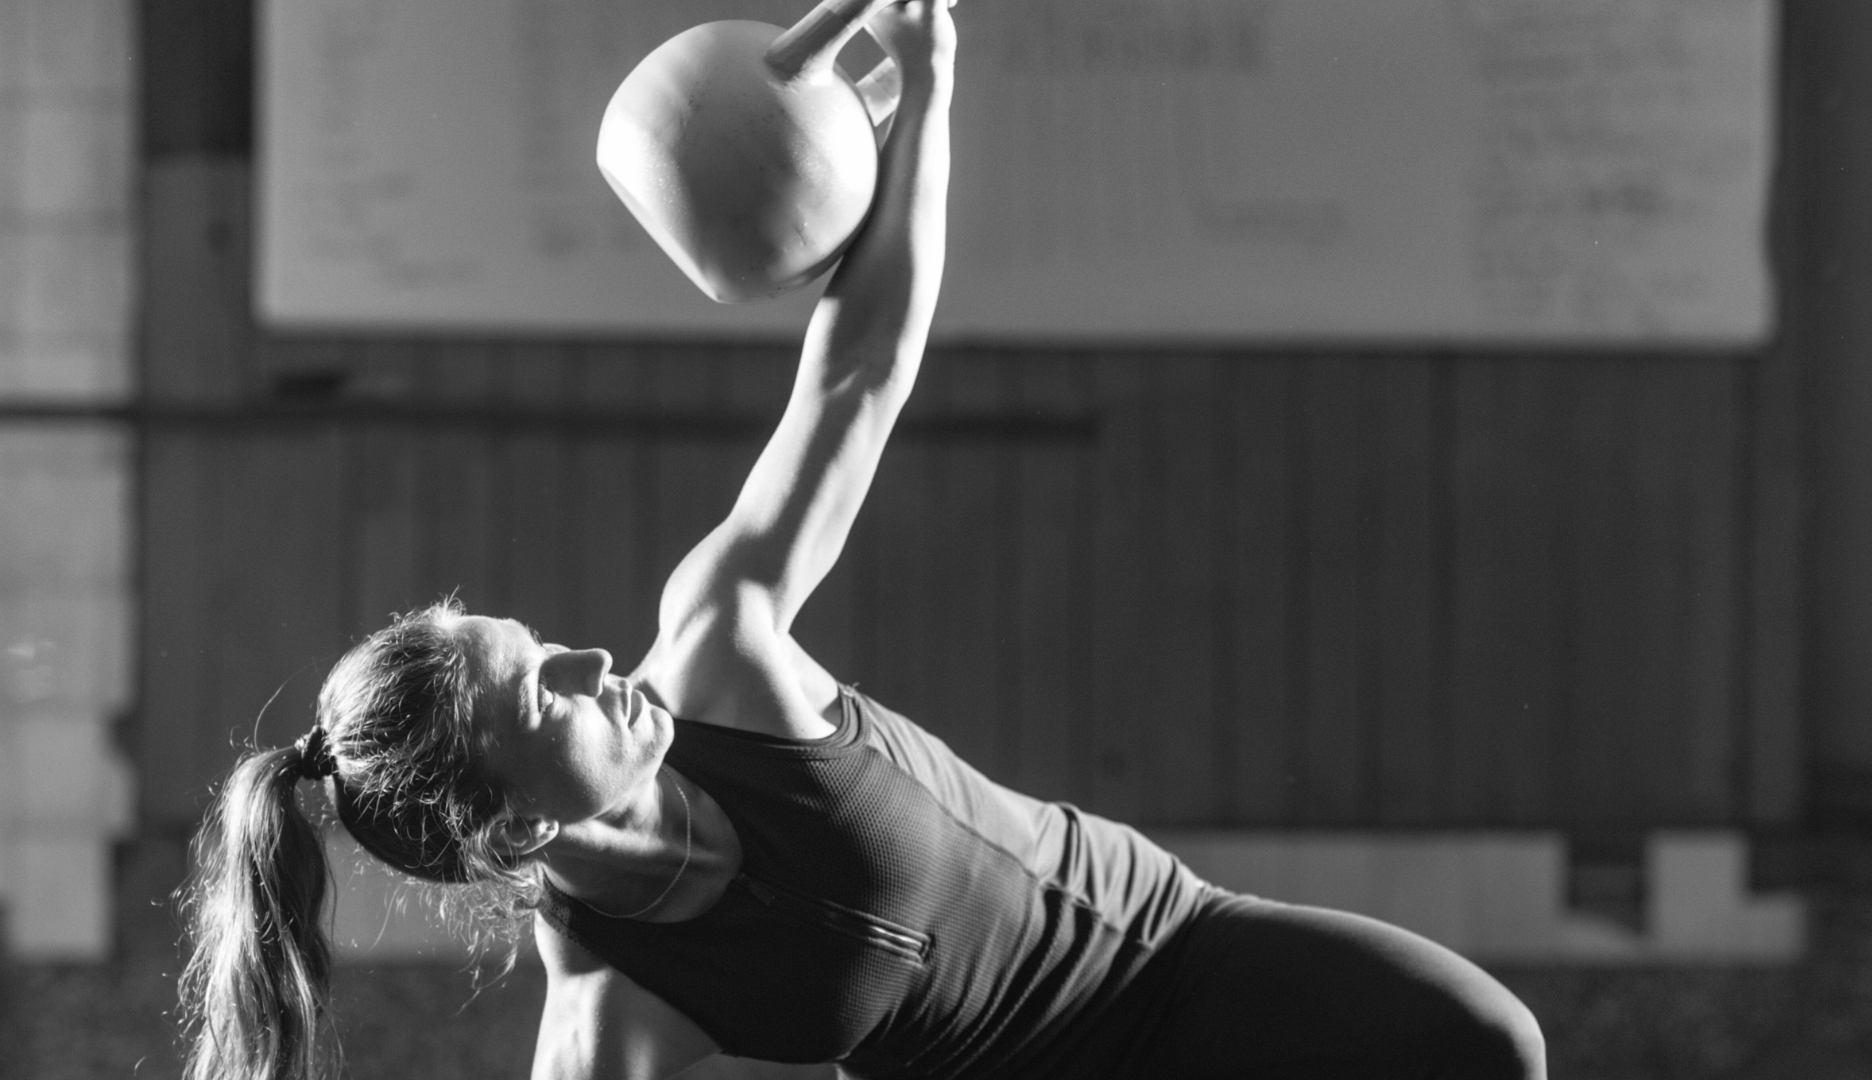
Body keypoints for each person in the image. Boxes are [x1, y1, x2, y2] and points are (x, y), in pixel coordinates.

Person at [178, 4, 1546, 1078]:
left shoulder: (717, 646)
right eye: (544, 687)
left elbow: (857, 377)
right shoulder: (615, 1008)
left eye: (550, 646)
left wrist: (930, 84)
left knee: (1484, 1044)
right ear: (518, 822)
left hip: (1172, 947)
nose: (596, 657)